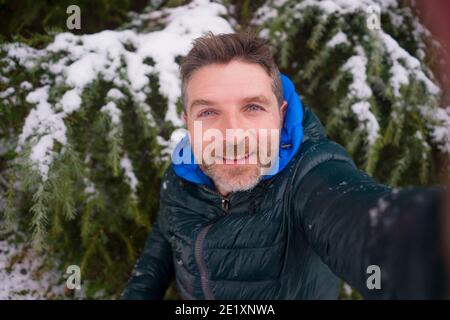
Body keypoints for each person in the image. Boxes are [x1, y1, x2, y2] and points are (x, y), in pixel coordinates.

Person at [121, 31, 447, 299]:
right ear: (188, 122)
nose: (232, 134)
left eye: (252, 107)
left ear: (279, 113)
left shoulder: (309, 172)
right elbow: (164, 239)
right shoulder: (180, 173)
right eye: (207, 112)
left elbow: (368, 223)